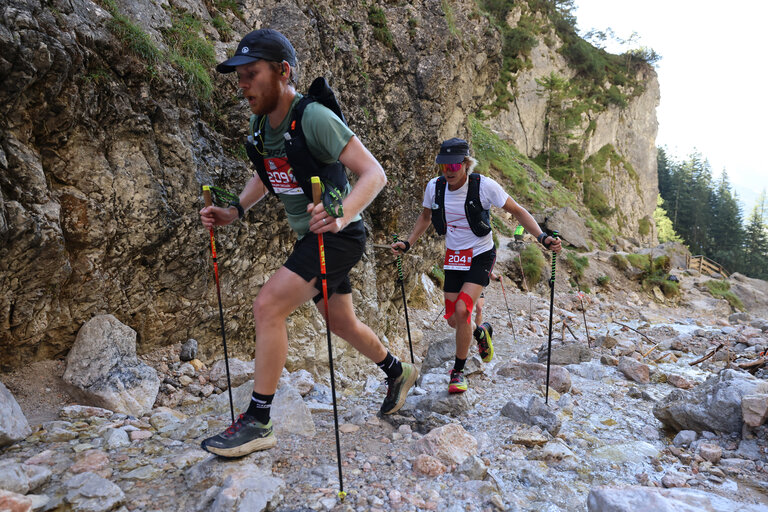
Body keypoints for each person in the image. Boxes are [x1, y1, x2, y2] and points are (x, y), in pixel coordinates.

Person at [199, 29, 418, 458]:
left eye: (251, 73)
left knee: (268, 306)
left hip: (339, 237)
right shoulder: (260, 123)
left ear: (283, 72)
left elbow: (374, 174)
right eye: (238, 75)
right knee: (339, 322)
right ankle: (398, 370)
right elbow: (268, 173)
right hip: (313, 237)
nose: (242, 83)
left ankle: (259, 420)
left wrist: (341, 214)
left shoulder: (313, 117)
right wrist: (235, 211)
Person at [392, 138, 561, 394]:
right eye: (444, 165)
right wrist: (408, 243)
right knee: (453, 320)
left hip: (481, 254)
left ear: (466, 164)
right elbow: (426, 217)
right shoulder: (434, 187)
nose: (449, 170)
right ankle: (481, 333)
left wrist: (542, 237)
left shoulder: (484, 186)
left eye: (455, 165)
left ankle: (458, 372)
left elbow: (517, 211)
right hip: (454, 257)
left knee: (462, 310)